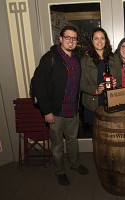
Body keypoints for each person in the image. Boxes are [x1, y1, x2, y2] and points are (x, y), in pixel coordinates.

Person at [32, 25, 88, 185]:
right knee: (57, 146)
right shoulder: (50, 58)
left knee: (72, 140)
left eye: (74, 38)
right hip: (55, 112)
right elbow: (38, 86)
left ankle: (75, 165)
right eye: (68, 37)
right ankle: (60, 171)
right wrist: (46, 111)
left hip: (73, 111)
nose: (71, 40)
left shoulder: (77, 58)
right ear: (61, 39)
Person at [80, 27, 121, 127]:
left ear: (106, 40)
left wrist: (116, 84)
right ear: (92, 41)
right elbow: (81, 83)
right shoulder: (85, 60)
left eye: (102, 38)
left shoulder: (115, 58)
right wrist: (96, 90)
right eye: (96, 38)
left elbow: (120, 80)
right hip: (93, 104)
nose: (99, 41)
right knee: (98, 136)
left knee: (113, 134)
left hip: (113, 102)